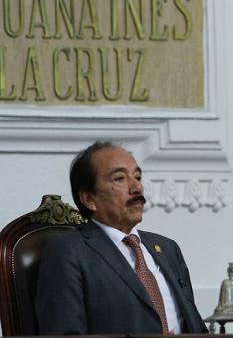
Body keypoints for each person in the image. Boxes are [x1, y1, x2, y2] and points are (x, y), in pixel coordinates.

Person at [35, 141, 208, 335]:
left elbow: (195, 327)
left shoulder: (167, 249)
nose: (137, 188)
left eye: (138, 176)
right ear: (88, 199)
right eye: (119, 179)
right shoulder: (68, 252)